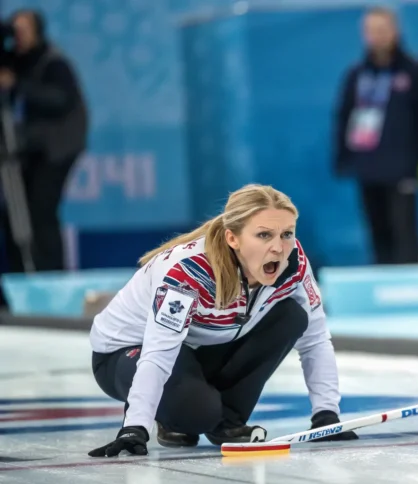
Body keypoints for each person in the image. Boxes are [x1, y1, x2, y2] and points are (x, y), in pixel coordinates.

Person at [87, 184, 357, 457]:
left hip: (196, 347)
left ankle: (227, 423)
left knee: (292, 317)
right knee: (197, 413)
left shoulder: (294, 262)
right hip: (124, 353)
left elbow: (316, 339)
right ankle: (171, 415)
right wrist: (135, 427)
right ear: (233, 238)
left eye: (286, 234)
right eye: (264, 235)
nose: (278, 247)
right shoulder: (189, 272)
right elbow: (158, 353)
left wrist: (326, 414)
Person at [333, 6, 418, 265]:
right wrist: (343, 157)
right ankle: (381, 283)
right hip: (367, 164)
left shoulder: (414, 70)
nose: (377, 36)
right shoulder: (357, 73)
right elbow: (344, 116)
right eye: (371, 30)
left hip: (403, 165)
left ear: (395, 31)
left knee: (403, 227)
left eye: (382, 29)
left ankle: (409, 285)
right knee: (376, 226)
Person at [0, 9, 88, 273]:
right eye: (14, 30)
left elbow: (60, 100)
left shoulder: (53, 62)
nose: (18, 35)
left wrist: (16, 84)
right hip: (28, 149)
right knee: (14, 213)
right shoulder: (16, 62)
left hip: (56, 150)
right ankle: (20, 275)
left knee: (41, 210)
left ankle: (50, 274)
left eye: (24, 29)